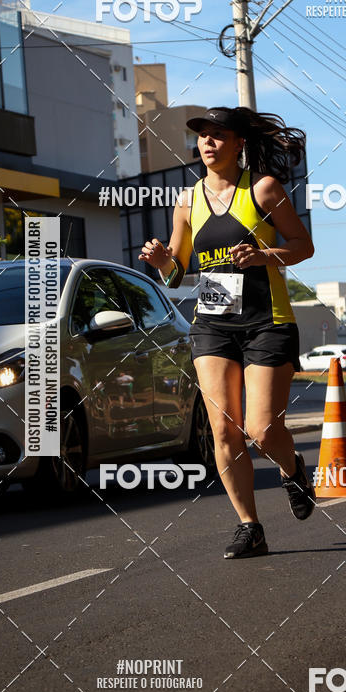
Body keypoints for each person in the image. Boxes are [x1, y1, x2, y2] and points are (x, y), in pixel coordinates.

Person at [139, 106, 315, 558]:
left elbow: (303, 246)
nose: (208, 142)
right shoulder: (187, 200)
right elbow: (176, 275)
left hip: (266, 321)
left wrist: (263, 256)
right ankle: (249, 526)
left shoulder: (264, 189)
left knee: (259, 429)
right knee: (223, 431)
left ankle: (293, 468)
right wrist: (163, 262)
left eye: (219, 135)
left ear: (239, 143)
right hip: (213, 324)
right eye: (203, 136)